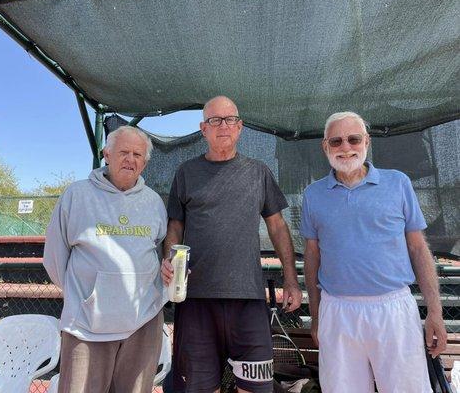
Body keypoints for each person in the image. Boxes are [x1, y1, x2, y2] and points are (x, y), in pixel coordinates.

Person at [161, 96, 302, 393]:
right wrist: (170, 261)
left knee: (256, 389)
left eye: (229, 120)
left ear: (239, 127)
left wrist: (291, 279)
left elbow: (277, 225)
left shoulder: (259, 172)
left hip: (249, 302)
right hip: (196, 302)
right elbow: (175, 226)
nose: (222, 125)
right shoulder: (186, 173)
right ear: (203, 129)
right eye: (214, 120)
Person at [301, 111, 447, 392]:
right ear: (325, 146)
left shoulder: (398, 183)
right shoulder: (313, 195)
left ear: (366, 141)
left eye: (353, 139)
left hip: (393, 309)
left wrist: (435, 313)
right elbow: (312, 257)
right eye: (336, 141)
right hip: (338, 311)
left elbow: (418, 248)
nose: (345, 148)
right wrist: (317, 317)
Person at [43, 126, 168, 393]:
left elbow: (157, 252)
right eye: (123, 152)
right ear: (107, 154)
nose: (130, 159)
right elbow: (55, 257)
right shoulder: (76, 195)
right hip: (87, 327)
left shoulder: (154, 202)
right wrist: (86, 296)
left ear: (144, 163)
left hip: (143, 324)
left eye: (137, 154)